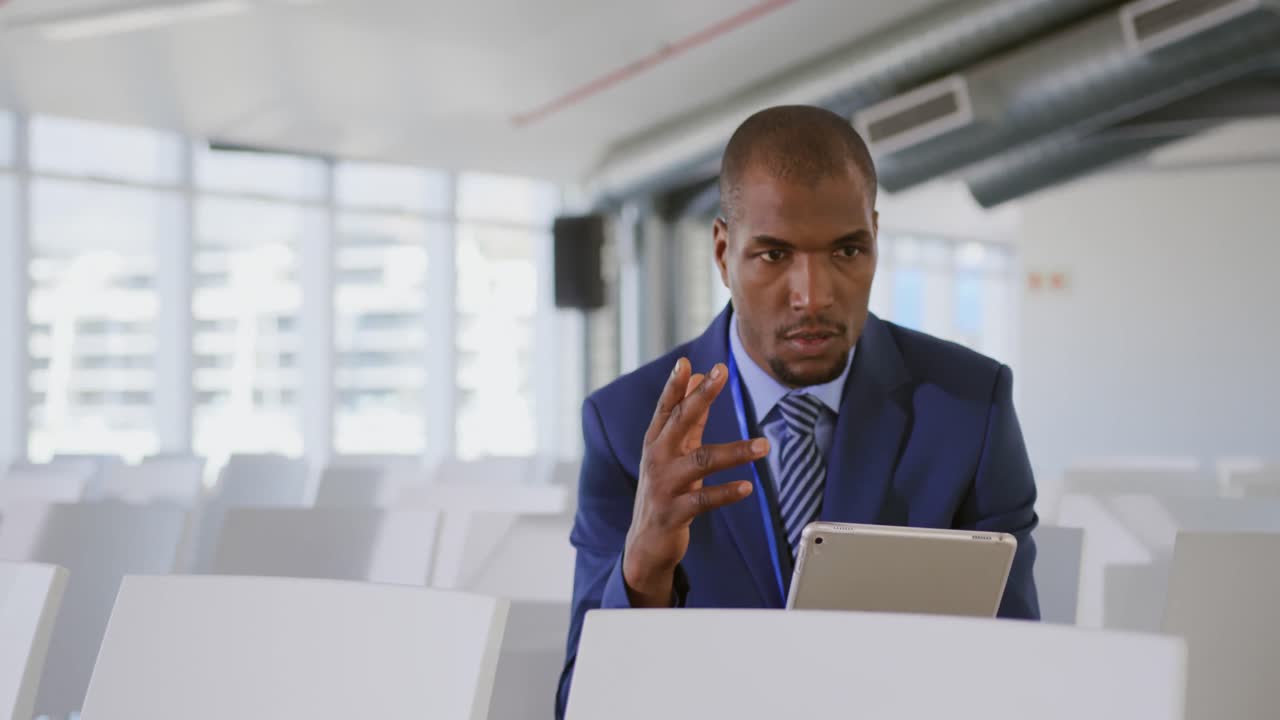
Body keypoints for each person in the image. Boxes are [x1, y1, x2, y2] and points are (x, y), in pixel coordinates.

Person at [556, 105, 1039, 718]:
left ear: (875, 241)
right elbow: (578, 704)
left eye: (846, 251)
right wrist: (643, 573)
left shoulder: (969, 407)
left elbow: (1021, 671)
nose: (813, 294)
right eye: (774, 255)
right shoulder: (626, 425)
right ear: (723, 251)